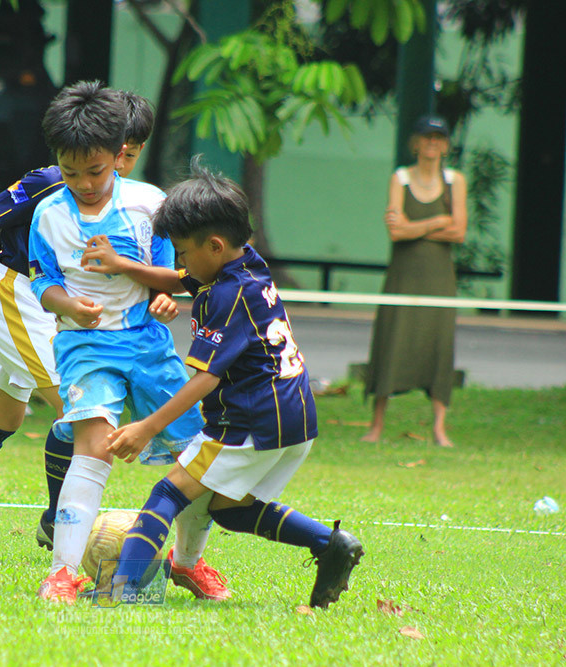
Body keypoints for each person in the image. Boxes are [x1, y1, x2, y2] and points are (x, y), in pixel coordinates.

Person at [0, 89, 163, 560]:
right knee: (80, 408)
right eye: (116, 154)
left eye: (129, 154)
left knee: (4, 417)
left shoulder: (127, 200)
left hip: (55, 309)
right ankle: (55, 521)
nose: (119, 164)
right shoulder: (51, 182)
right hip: (18, 297)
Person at [101, 160, 364, 609]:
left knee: (169, 491)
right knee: (232, 509)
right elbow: (178, 279)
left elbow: (206, 376)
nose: (180, 263)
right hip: (293, 417)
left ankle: (122, 591)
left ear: (215, 245)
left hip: (249, 419)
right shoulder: (246, 266)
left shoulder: (225, 295)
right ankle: (330, 543)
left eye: (183, 252)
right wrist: (122, 265)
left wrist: (147, 426)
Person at [30, 82, 227, 604]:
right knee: (92, 449)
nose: (84, 183)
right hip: (86, 347)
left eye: (95, 171)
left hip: (146, 344)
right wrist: (66, 305)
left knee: (196, 456)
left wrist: (163, 295)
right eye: (70, 173)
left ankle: (187, 564)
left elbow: (173, 271)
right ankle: (63, 573)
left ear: (118, 153)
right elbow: (41, 282)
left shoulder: (149, 205)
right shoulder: (47, 215)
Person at [361, 115, 468, 448]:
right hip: (403, 275)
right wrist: (438, 220)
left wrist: (415, 227)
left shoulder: (455, 181)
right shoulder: (401, 178)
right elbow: (396, 230)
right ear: (416, 143)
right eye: (427, 137)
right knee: (392, 338)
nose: (432, 143)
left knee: (439, 344)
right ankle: (376, 425)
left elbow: (459, 231)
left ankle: (439, 428)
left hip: (439, 277)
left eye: (439, 138)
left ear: (446, 145)